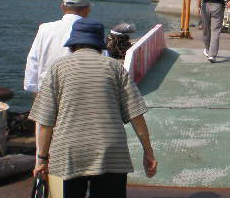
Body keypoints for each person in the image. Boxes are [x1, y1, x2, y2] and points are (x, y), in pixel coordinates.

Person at [30, 18, 157, 198]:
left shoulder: (57, 69)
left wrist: (41, 159)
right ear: (100, 44)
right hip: (111, 153)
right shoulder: (115, 67)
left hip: (69, 153)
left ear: (73, 43)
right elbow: (136, 114)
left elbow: (45, 121)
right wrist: (148, 152)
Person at [24, 0, 92, 93]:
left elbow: (33, 61)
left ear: (62, 7)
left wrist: (35, 91)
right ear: (88, 9)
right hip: (77, 94)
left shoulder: (44, 29)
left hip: (46, 91)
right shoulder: (92, 32)